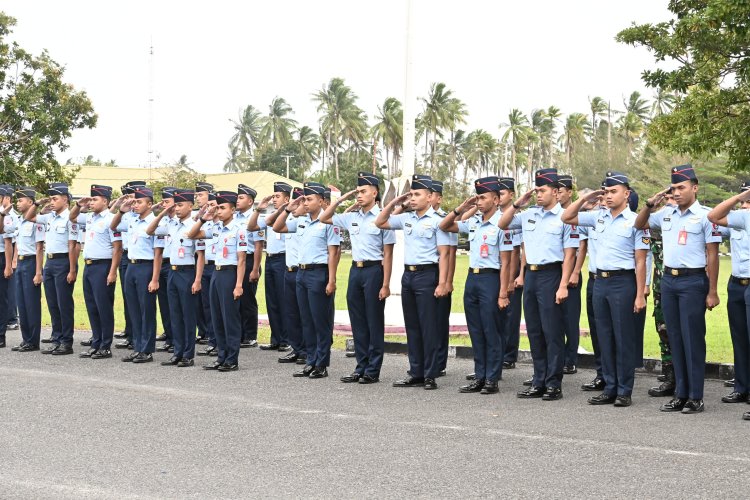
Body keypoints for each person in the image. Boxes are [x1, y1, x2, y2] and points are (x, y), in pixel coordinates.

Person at [635, 164, 721, 414]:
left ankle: (695, 396)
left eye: (682, 187)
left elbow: (713, 256)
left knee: (692, 338)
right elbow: (638, 224)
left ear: (695, 188)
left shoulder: (706, 215)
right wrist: (651, 204)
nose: (677, 192)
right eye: (673, 188)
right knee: (675, 339)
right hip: (669, 282)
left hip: (693, 281)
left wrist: (712, 291)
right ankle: (680, 394)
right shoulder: (665, 214)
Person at [563, 172, 649, 407]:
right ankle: (609, 387)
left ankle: (624, 390)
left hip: (623, 282)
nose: (609, 196)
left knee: (623, 338)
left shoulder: (637, 221)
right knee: (604, 337)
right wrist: (586, 198)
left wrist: (640, 294)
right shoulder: (596, 218)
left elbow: (641, 261)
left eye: (614, 191)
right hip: (600, 282)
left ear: (626, 194)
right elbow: (567, 217)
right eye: (606, 192)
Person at [499, 168, 579, 401]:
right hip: (531, 276)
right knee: (534, 330)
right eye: (536, 191)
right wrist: (518, 204)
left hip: (552, 274)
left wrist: (563, 284)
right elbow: (502, 224)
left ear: (556, 192)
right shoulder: (528, 215)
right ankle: (538, 380)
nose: (538, 195)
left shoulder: (565, 218)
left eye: (542, 191)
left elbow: (569, 254)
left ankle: (553, 383)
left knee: (552, 331)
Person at [375, 174, 451, 390]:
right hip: (408, 275)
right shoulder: (406, 218)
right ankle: (415, 371)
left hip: (428, 275)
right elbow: (380, 221)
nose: (413, 198)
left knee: (428, 326)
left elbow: (444, 254)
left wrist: (443, 283)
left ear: (430, 197)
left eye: (417, 194)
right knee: (413, 326)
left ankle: (430, 373)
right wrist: (396, 202)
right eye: (412, 194)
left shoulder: (438, 222)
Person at [320, 172, 396, 384]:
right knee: (358, 321)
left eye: (363, 191)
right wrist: (343, 199)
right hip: (356, 271)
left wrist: (386, 284)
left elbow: (388, 254)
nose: (359, 195)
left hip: (374, 271)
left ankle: (373, 369)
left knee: (373, 321)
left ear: (375, 192)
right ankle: (360, 366)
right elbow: (324, 217)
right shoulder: (352, 216)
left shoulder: (382, 218)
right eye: (357, 191)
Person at [440, 177, 513, 394]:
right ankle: (479, 376)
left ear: (496, 199)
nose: (479, 201)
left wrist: (502, 293)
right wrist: (460, 208)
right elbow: (444, 226)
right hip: (473, 279)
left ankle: (492, 378)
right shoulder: (473, 221)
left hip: (491, 279)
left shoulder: (503, 224)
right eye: (477, 197)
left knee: (491, 330)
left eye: (483, 197)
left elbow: (507, 261)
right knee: (476, 330)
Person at [273, 181, 341, 379]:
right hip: (301, 274)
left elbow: (333, 253)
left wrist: (331, 280)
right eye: (305, 199)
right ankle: (311, 360)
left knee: (320, 321)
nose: (307, 202)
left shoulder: (328, 222)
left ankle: (321, 363)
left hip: (319, 273)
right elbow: (278, 227)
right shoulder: (301, 221)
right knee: (306, 321)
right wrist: (288, 209)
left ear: (321, 201)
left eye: (310, 199)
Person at [187, 191, 246, 372]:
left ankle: (232, 359)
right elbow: (191, 234)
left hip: (230, 274)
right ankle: (221, 356)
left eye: (222, 207)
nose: (219, 211)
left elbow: (242, 259)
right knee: (217, 317)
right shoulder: (217, 228)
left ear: (233, 209)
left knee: (230, 319)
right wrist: (204, 218)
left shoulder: (239, 229)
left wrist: (238, 285)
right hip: (216, 274)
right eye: (217, 207)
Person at [707, 181, 750, 421]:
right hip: (736, 283)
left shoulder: (743, 218)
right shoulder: (738, 219)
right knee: (740, 338)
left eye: (747, 201)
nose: (744, 205)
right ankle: (742, 387)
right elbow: (714, 216)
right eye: (743, 201)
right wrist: (737, 198)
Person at [150, 189, 203, 367]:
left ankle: (188, 354)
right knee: (175, 314)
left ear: (191, 205)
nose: (177, 209)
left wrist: (197, 280)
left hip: (187, 272)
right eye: (176, 205)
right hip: (172, 273)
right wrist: (163, 212)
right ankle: (177, 352)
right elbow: (150, 230)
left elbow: (201, 256)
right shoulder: (171, 225)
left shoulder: (195, 226)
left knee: (188, 315)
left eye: (181, 205)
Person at [67, 185, 122, 359]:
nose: (91, 203)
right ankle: (96, 342)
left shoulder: (112, 219)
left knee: (103, 307)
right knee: (92, 306)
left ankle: (105, 345)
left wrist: (112, 272)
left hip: (103, 266)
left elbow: (118, 248)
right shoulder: (90, 218)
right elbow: (72, 217)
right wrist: (78, 204)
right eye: (90, 199)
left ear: (105, 201)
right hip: (89, 266)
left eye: (95, 199)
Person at [26, 182, 79, 355]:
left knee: (64, 304)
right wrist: (37, 204)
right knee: (53, 303)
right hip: (50, 263)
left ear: (65, 199)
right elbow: (29, 217)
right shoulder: (50, 217)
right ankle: (56, 339)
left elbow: (72, 245)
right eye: (50, 199)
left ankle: (66, 342)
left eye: (55, 199)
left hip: (64, 262)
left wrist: (72, 270)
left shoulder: (70, 218)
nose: (52, 202)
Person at [112, 187, 162, 364]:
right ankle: (137, 347)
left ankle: (146, 350)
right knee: (133, 308)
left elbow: (158, 254)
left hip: (146, 267)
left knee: (146, 309)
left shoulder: (155, 222)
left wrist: (155, 278)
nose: (136, 205)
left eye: (139, 202)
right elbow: (113, 226)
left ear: (149, 204)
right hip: (131, 266)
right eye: (135, 201)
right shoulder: (132, 220)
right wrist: (122, 210)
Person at [247, 182, 292, 351]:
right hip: (271, 259)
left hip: (283, 259)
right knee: (271, 300)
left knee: (283, 299)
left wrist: (284, 211)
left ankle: (286, 339)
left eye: (277, 196)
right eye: (273, 196)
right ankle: (276, 338)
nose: (274, 199)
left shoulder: (291, 215)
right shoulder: (271, 216)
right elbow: (251, 226)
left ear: (287, 199)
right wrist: (260, 208)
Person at [271, 187, 307, 365]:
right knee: (291, 313)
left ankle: (307, 349)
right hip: (289, 270)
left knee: (304, 314)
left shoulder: (309, 221)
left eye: (299, 202)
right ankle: (297, 348)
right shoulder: (291, 219)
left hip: (302, 270)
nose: (296, 206)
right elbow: (275, 226)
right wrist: (286, 210)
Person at [646, 190, 677, 397]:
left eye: (673, 197)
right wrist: (652, 204)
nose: (670, 202)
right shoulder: (659, 225)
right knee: (663, 330)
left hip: (684, 284)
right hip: (661, 286)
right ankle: (669, 376)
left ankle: (683, 377)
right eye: (667, 198)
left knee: (683, 333)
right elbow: (641, 222)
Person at [112, 180, 146, 350]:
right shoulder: (128, 215)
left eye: (136, 198)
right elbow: (112, 225)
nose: (133, 202)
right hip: (128, 258)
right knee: (129, 299)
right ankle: (132, 335)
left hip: (143, 262)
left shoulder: (148, 219)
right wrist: (120, 206)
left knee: (142, 304)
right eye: (131, 197)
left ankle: (141, 341)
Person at [556, 174, 585, 374]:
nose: (557, 194)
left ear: (569, 192)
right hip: (554, 272)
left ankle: (570, 359)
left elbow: (580, 247)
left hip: (571, 270)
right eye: (555, 190)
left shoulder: (575, 214)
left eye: (560, 190)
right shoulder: (552, 213)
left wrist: (575, 272)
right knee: (555, 318)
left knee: (570, 318)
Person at [430, 180, 458, 377]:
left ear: (438, 198)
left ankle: (439, 363)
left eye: (430, 194)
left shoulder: (444, 219)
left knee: (439, 321)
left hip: (440, 276)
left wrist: (447, 281)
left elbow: (450, 254)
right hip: (423, 274)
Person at [234, 184, 264, 348]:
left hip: (251, 260)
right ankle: (239, 333)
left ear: (250, 201)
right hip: (238, 260)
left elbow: (259, 245)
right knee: (237, 298)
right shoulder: (235, 217)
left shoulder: (255, 218)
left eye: (241, 198)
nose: (237, 201)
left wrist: (255, 269)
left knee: (248, 299)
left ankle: (250, 335)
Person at [196, 192, 219, 357]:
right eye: (208, 205)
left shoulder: (226, 227)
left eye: (214, 205)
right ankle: (212, 340)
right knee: (207, 307)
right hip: (206, 268)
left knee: (219, 308)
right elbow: (201, 253)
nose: (210, 208)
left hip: (220, 269)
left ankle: (220, 342)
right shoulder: (204, 226)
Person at [154, 187, 176, 353]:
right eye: (163, 203)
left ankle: (177, 339)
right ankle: (169, 336)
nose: (164, 205)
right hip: (162, 263)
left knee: (174, 305)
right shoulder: (162, 221)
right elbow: (158, 247)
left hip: (175, 265)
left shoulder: (179, 222)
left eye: (167, 202)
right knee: (164, 304)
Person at [0, 185, 21, 349]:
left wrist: (11, 263)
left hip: (3, 256)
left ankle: (2, 333)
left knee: (4, 297)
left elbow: (12, 242)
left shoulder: (9, 216)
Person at [193, 182, 214, 345]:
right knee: (201, 302)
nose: (197, 198)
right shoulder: (201, 218)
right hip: (202, 261)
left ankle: (214, 338)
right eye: (196, 195)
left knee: (212, 305)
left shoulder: (219, 219)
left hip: (217, 265)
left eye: (201, 195)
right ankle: (205, 332)